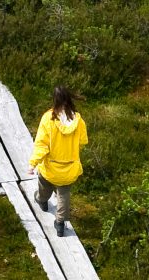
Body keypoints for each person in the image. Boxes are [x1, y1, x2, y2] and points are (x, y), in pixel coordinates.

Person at [31, 86, 88, 236]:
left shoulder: (48, 118)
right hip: (69, 168)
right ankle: (60, 224)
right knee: (63, 195)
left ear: (55, 100)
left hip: (50, 167)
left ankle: (42, 201)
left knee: (44, 184)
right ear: (69, 99)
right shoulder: (78, 120)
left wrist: (33, 163)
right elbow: (83, 141)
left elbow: (41, 145)